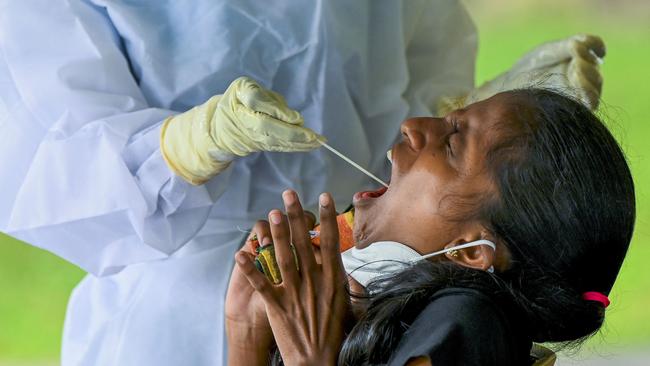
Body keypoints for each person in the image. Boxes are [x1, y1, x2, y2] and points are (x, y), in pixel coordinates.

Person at [0, 1, 604, 365]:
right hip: (169, 318)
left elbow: (424, 55)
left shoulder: (453, 335)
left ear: (472, 252)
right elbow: (41, 168)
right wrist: (179, 150)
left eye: (446, 136)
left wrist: (482, 124)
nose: (406, 134)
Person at [226, 89, 635, 365]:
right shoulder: (393, 306)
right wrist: (247, 331)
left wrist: (309, 357)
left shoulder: (465, 323)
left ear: (471, 250)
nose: (414, 126)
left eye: (453, 142)